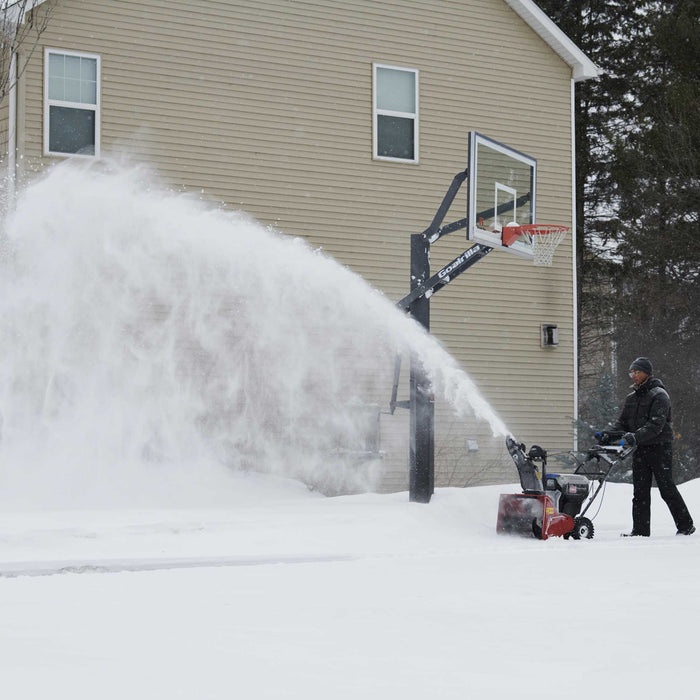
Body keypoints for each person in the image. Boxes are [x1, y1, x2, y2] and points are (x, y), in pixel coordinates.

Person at [599, 357, 694, 537]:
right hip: (641, 449)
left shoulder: (659, 395)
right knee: (640, 492)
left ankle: (685, 525)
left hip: (660, 448)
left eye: (637, 372)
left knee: (666, 489)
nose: (633, 375)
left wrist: (635, 436)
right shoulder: (631, 398)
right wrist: (607, 435)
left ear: (647, 373)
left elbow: (656, 425)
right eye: (631, 372)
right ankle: (640, 531)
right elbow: (622, 423)